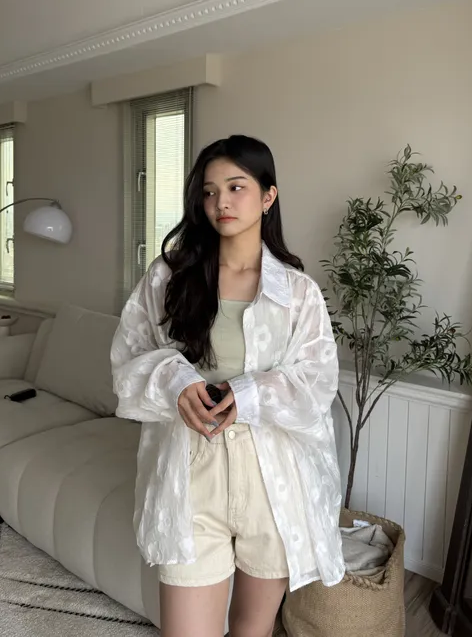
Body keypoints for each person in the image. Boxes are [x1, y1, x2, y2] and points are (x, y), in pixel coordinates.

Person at [111, 135, 344, 637]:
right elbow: (128, 356)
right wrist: (175, 379)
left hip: (273, 477)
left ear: (268, 196)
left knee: (251, 629)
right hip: (191, 470)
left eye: (236, 187)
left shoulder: (297, 292)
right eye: (210, 191)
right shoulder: (169, 276)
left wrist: (252, 394)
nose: (221, 202)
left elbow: (318, 381)